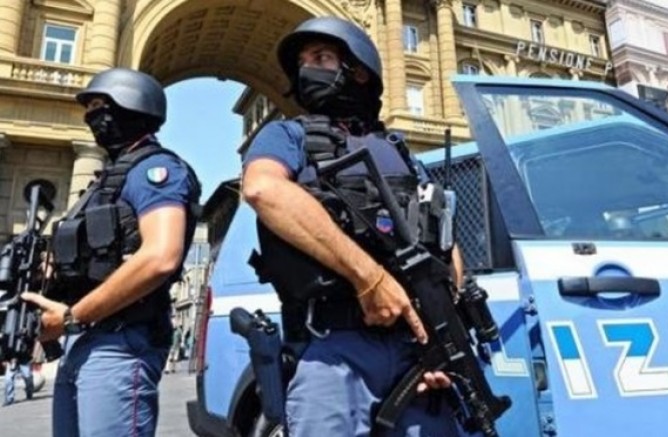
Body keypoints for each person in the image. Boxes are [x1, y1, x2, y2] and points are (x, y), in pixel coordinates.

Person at [241, 16, 464, 436]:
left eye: (321, 57)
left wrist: (441, 340)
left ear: (358, 71)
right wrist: (369, 278)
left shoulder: (401, 152)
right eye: (302, 63)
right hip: (331, 347)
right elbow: (262, 189)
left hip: (413, 352)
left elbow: (445, 243)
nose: (307, 70)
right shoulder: (288, 136)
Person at [21, 67, 201, 436]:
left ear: (134, 106)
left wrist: (71, 316)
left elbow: (161, 256)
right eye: (89, 107)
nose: (93, 116)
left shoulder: (155, 170)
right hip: (83, 339)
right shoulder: (104, 184)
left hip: (121, 341)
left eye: (102, 105)